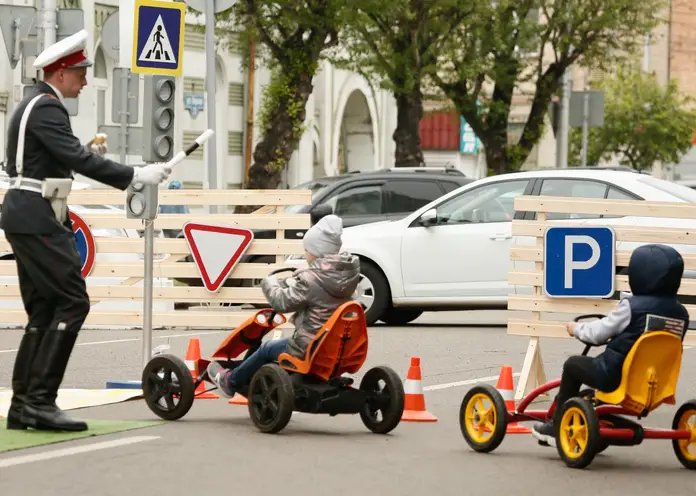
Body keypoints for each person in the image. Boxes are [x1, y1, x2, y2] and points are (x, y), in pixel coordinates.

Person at [3, 30, 172, 432]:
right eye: (79, 73)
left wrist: (105, 164)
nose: (83, 80)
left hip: (29, 212)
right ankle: (40, 401)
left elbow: (61, 157)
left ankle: (25, 406)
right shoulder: (46, 107)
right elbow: (74, 157)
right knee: (73, 301)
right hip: (37, 213)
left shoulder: (36, 105)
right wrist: (136, 175)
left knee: (44, 310)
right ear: (59, 74)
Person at [532, 243, 690, 447]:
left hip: (614, 376)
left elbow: (597, 334)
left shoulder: (632, 307)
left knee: (573, 365)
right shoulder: (681, 315)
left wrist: (575, 328)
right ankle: (600, 422)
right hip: (655, 384)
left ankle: (556, 425)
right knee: (588, 396)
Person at [207, 214, 361, 397]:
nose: (306, 254)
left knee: (267, 348)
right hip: (337, 347)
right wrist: (301, 276)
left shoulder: (311, 280)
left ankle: (230, 381)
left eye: (307, 250)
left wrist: (269, 283)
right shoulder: (346, 275)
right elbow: (320, 290)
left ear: (317, 252)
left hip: (310, 347)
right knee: (274, 347)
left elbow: (282, 303)